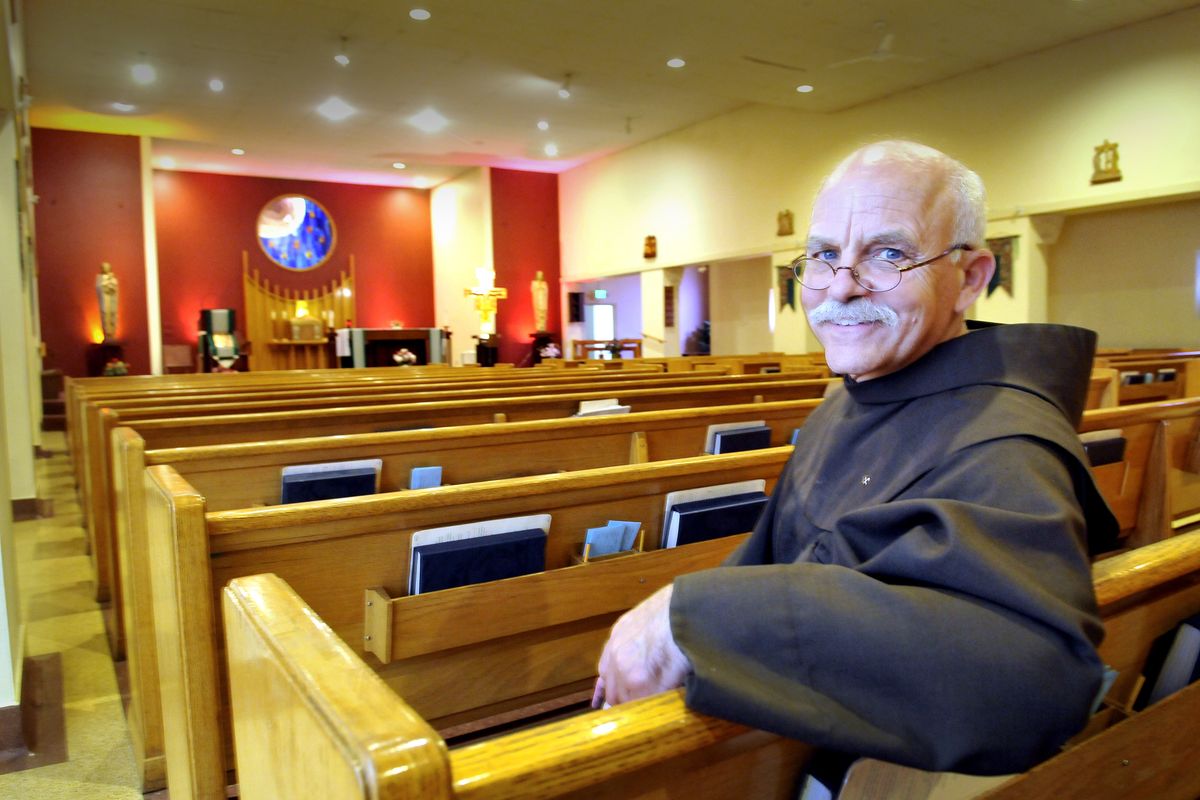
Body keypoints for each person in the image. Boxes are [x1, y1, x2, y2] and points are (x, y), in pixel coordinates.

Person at [592, 140, 1117, 776]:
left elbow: (1028, 681)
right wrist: (675, 618)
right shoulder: (851, 396)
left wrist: (696, 619)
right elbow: (772, 556)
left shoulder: (1003, 441)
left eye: (888, 253)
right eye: (823, 255)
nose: (840, 288)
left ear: (971, 278)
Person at [96, 261, 119, 340]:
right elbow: (99, 287)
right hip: (104, 300)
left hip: (111, 300)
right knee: (105, 314)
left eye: (107, 267)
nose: (106, 268)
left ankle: (112, 334)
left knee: (112, 314)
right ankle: (106, 334)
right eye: (104, 267)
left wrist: (110, 285)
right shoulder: (99, 278)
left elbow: (115, 288)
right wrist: (106, 284)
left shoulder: (113, 278)